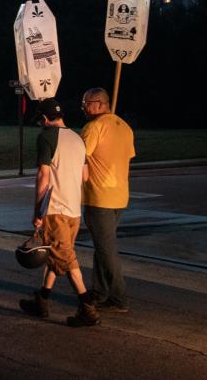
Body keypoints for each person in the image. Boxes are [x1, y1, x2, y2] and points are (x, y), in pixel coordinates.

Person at [19, 99, 99, 327]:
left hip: (56, 208)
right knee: (57, 254)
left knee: (66, 258)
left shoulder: (46, 137)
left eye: (40, 121)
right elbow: (85, 176)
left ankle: (87, 308)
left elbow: (43, 175)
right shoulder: (77, 139)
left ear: (44, 119)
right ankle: (42, 300)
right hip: (74, 210)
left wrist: (37, 210)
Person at [81, 87, 135, 314]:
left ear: (100, 104)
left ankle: (119, 297)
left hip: (99, 196)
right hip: (120, 195)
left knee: (106, 250)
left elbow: (79, 158)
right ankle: (100, 292)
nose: (83, 107)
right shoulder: (125, 127)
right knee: (103, 248)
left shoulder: (94, 128)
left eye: (86, 103)